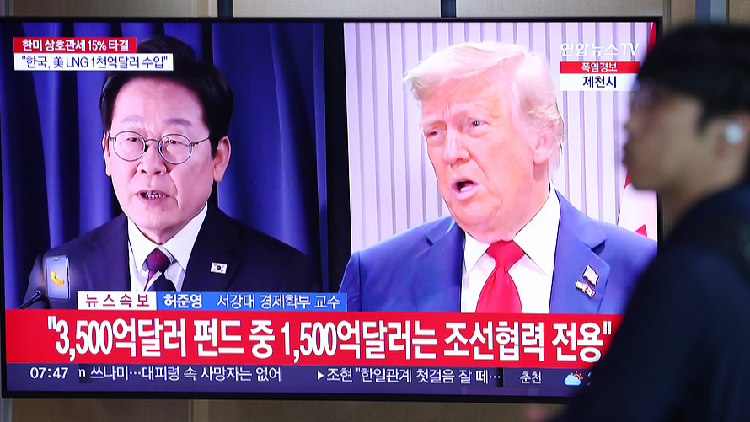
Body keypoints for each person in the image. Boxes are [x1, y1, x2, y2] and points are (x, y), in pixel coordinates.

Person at [339, 41, 655, 313]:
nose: (450, 152)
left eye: (475, 124)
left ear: (542, 139)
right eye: (434, 132)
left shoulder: (643, 271)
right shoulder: (375, 280)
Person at [23, 35, 319, 309]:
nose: (151, 164)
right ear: (107, 153)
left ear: (218, 157)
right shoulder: (57, 276)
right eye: (132, 140)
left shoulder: (282, 281)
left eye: (175, 142)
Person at [549, 24, 750, 421]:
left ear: (731, 132)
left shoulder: (689, 275)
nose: (630, 123)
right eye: (636, 99)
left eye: (653, 101)